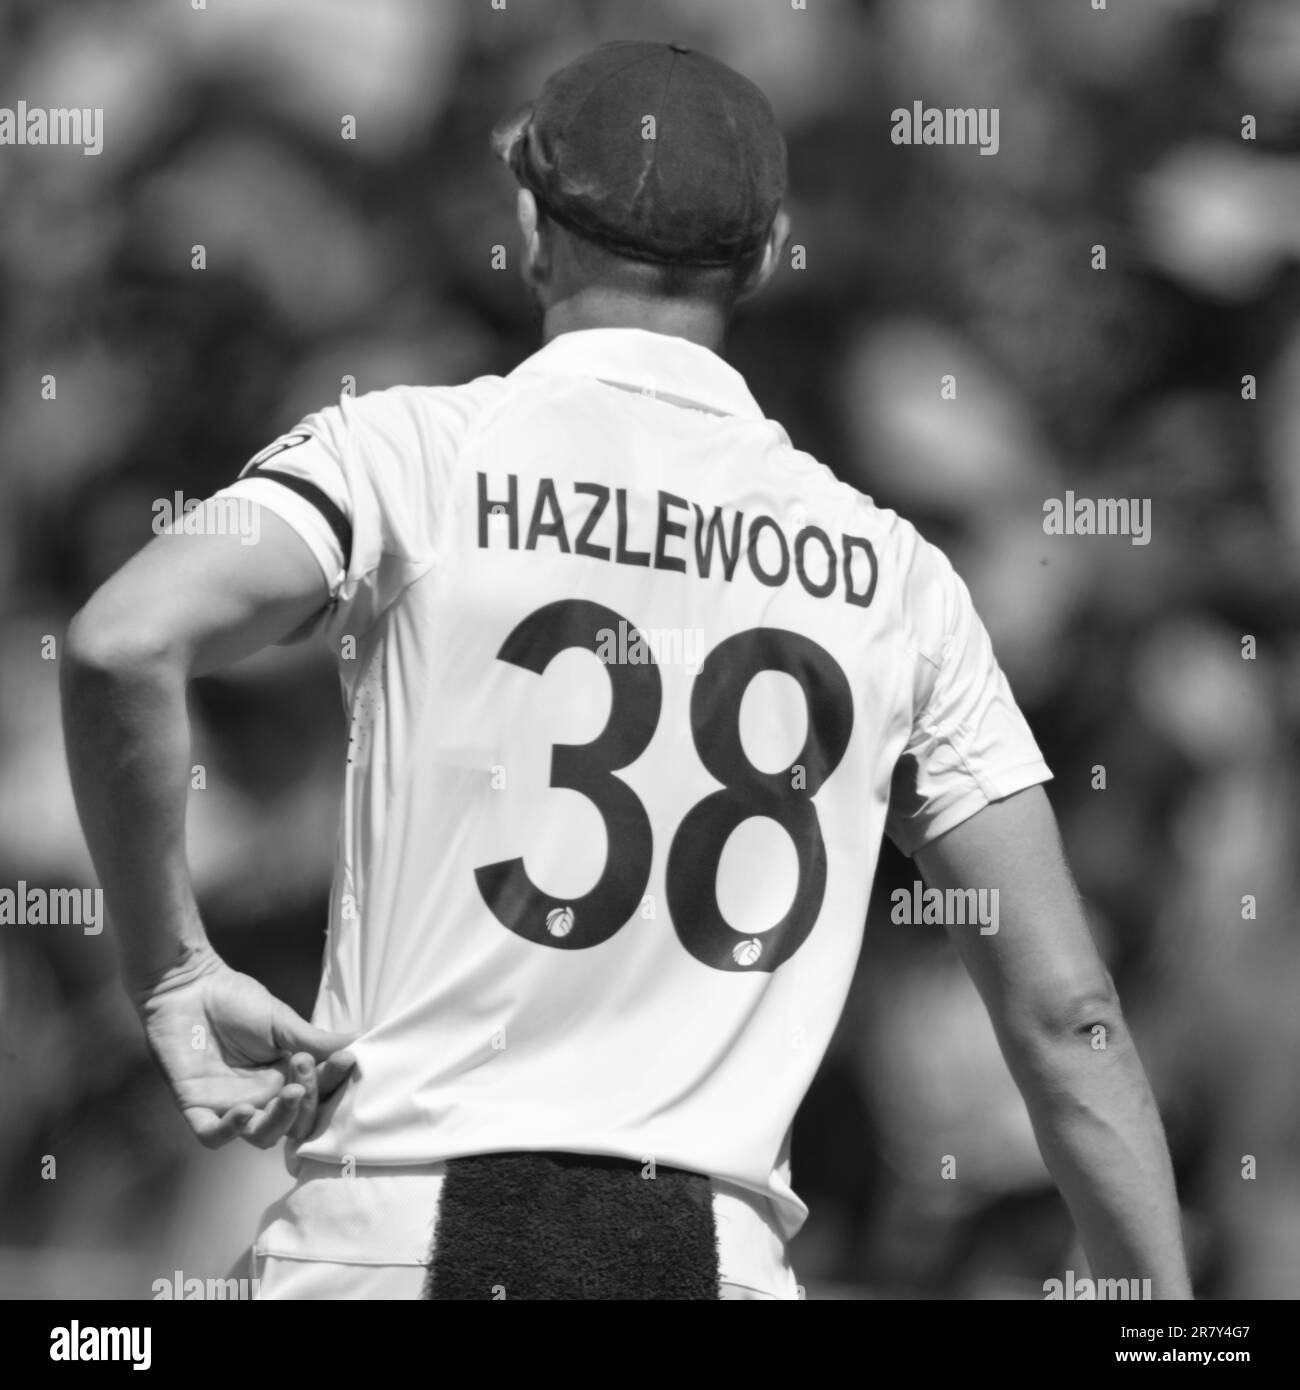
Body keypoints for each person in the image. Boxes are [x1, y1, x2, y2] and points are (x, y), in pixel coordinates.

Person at [60, 40, 1191, 1300]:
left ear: (533, 228)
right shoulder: (898, 578)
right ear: (762, 257)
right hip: (715, 1266)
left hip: (393, 1245)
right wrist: (1158, 1316)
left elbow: (123, 638)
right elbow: (1067, 1012)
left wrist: (170, 968)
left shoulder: (410, 454)